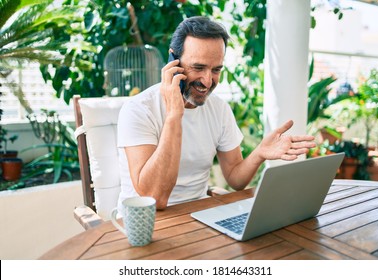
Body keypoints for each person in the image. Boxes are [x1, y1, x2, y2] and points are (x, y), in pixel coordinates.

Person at [116, 16, 315, 213]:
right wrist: (175, 115)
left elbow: (235, 179)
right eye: (198, 67)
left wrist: (260, 152)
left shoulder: (219, 110)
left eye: (216, 70)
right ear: (173, 61)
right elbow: (154, 198)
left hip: (199, 216)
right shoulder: (139, 109)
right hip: (145, 222)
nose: (208, 81)